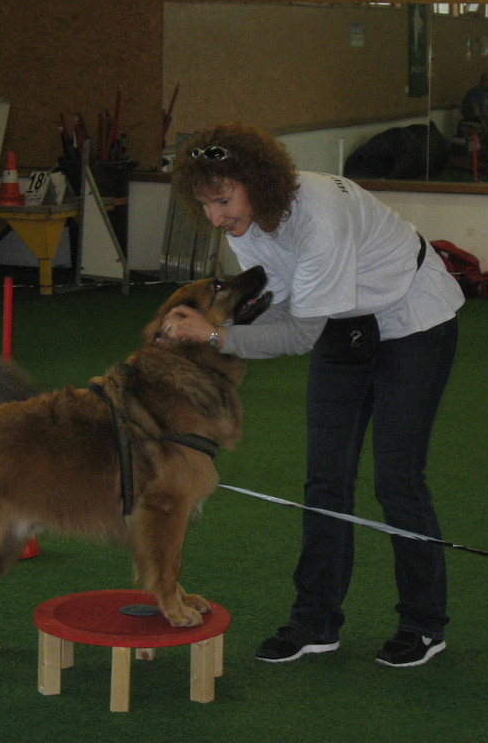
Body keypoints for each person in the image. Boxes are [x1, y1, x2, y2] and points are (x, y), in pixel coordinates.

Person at [166, 123, 464, 668]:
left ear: (256, 182)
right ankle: (315, 622)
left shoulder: (318, 215)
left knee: (398, 480)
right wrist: (222, 332)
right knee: (325, 479)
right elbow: (287, 306)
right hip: (342, 324)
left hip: (413, 321)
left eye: (223, 200)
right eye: (205, 204)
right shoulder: (244, 226)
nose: (215, 218)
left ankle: (424, 624)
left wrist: (213, 336)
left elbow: (300, 335)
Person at [460, 72, 488, 161]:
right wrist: (480, 119)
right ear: (481, 82)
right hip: (474, 117)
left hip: (486, 115)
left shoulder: (486, 92)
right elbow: (475, 107)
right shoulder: (476, 91)